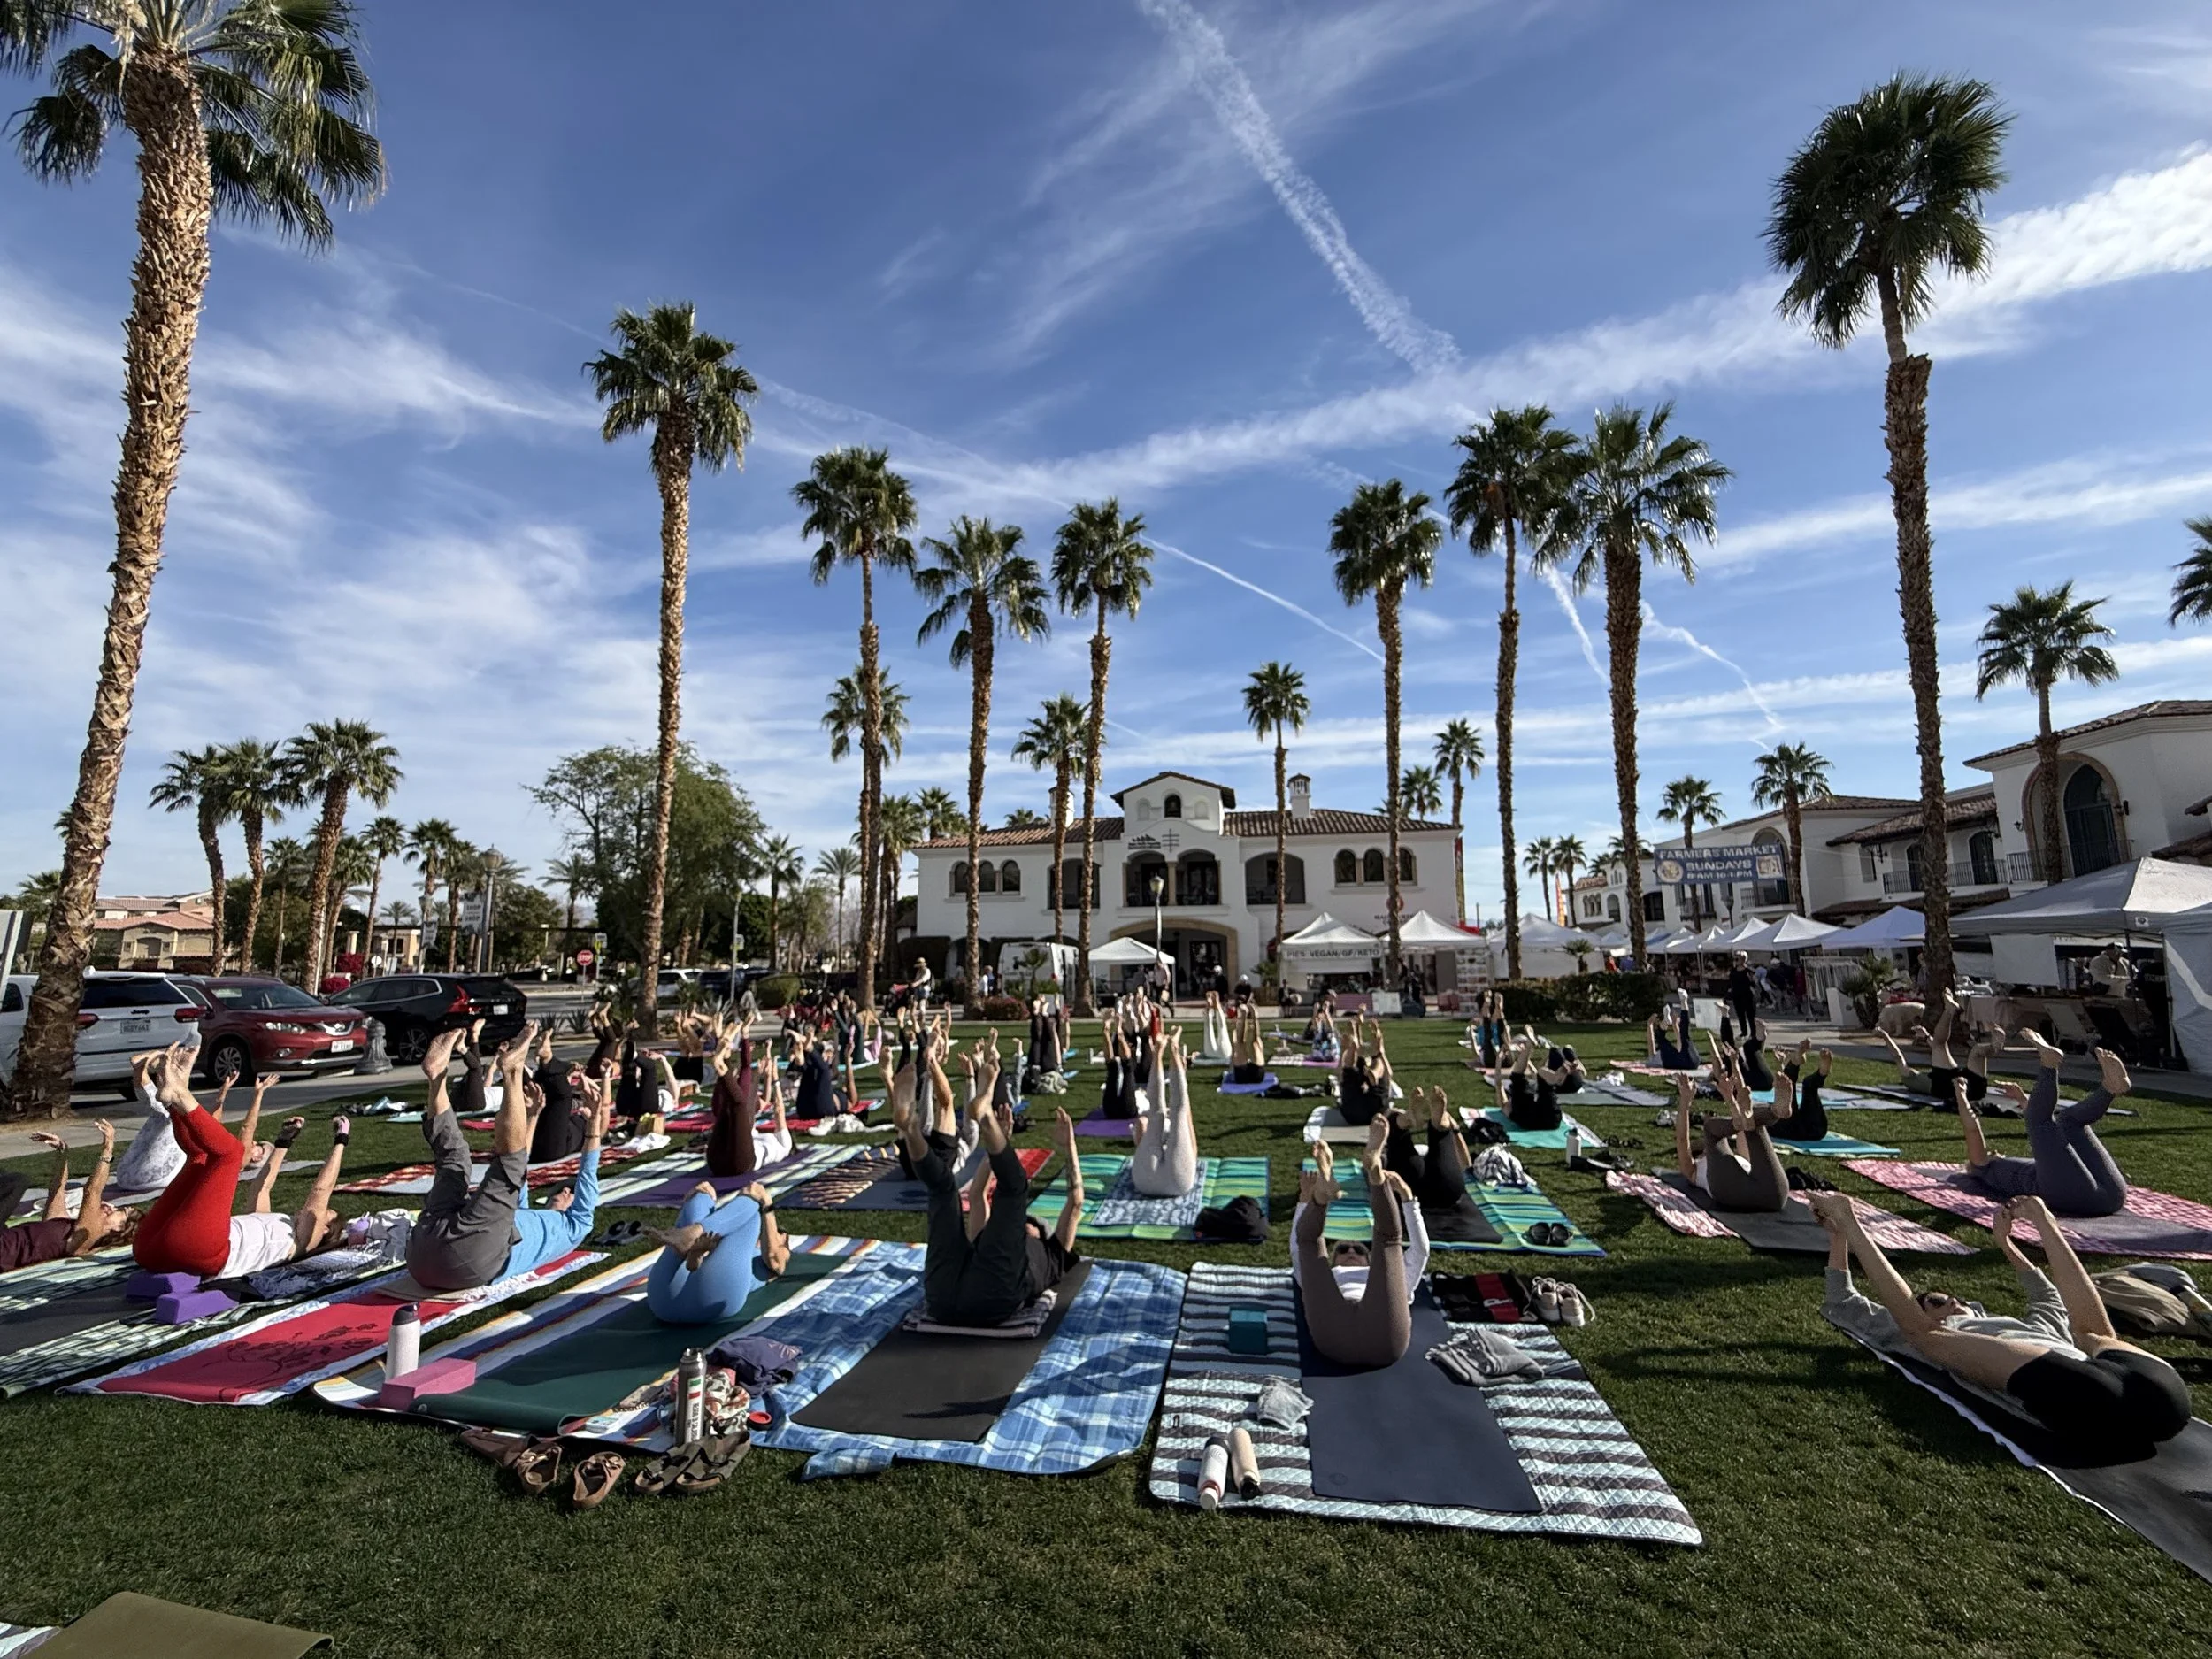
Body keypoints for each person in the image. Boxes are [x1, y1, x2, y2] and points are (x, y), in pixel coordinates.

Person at [1813, 1188, 2193, 1458]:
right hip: (2086, 1394)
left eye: (1955, 1298)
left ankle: (2048, 1221)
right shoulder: (1915, 1331)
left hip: (2160, 1399)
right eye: (1938, 1300)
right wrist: (1842, 1235)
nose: (1955, 1302)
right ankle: (1852, 1221)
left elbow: (2052, 1301)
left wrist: (2024, 1236)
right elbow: (1851, 1304)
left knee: (2094, 1333)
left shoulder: (2009, 1326)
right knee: (1925, 1337)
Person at [405, 1023, 609, 1293]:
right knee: (454, 1159)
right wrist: (533, 1115)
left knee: (506, 1164)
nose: (569, 1191)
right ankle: (436, 1077)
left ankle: (513, 1071)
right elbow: (520, 1171)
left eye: (570, 1193)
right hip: (424, 1249)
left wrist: (594, 1123)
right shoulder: (519, 1210)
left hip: (470, 1259)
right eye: (567, 1190)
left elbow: (587, 1175)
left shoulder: (577, 1225)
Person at [890, 1046, 1082, 1328]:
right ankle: (910, 1128)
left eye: (1033, 1224)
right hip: (944, 1297)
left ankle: (974, 1117)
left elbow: (1076, 1202)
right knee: (943, 1184)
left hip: (970, 1296)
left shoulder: (1057, 1253)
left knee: (1015, 1185)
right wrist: (999, 1141)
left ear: (1040, 1234)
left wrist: (1070, 1146)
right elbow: (978, 1193)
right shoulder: (999, 1240)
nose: (1028, 1224)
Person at [132, 1048, 357, 1279]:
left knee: (232, 1153)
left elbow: (321, 1191)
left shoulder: (304, 1242)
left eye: (326, 1214)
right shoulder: (276, 1223)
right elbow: (262, 1186)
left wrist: (340, 1142)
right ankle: (174, 1094)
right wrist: (283, 1143)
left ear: (326, 1229)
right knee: (198, 1159)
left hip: (204, 1251)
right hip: (149, 1249)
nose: (316, 1211)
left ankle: (180, 1096)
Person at [1292, 1122, 1429, 1369]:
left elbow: (1298, 1245)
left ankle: (1324, 1195)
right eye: (1343, 1250)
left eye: (1358, 1250)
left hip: (1378, 1334)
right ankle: (1373, 1178)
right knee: (1387, 1239)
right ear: (1332, 1260)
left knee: (1308, 1242)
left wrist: (1305, 1200)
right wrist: (1407, 1200)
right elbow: (1421, 1250)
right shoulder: (1328, 1276)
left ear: (1369, 1260)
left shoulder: (1393, 1280)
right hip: (1339, 1336)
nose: (1352, 1251)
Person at [1950, 1033, 2131, 1218]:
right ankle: (2049, 1065)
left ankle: (2110, 1087)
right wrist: (1961, 1095)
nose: (1995, 1152)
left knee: (2068, 1121)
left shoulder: (2026, 1170)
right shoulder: (1982, 1167)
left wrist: (2021, 1099)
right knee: (2039, 1122)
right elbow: (1972, 1129)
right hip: (2075, 1198)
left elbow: (2054, 1152)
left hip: (2112, 1194)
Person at [644, 1179, 792, 1324]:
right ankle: (694, 1240)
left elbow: (775, 1261)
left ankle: (695, 1236)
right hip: (670, 1296)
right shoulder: (733, 1236)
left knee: (753, 1205)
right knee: (702, 1196)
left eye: (776, 1232)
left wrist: (767, 1205)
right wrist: (694, 1197)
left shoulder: (777, 1251)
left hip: (669, 1302)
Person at [3, 1121, 135, 1272]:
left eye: (121, 1210)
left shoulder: (85, 1239)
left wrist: (108, 1148)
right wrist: (62, 1152)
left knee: (16, 1182)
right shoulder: (66, 1227)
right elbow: (57, 1191)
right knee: (10, 1180)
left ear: (121, 1228)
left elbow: (92, 1191)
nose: (112, 1207)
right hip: (4, 1235)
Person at [1671, 1063, 1789, 1212]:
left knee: (1750, 1125)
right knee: (1716, 1127)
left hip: (1769, 1195)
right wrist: (1684, 1103)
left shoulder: (1738, 1156)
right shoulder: (1692, 1170)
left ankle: (1778, 1110)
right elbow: (1682, 1140)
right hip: (1756, 1195)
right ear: (1700, 1153)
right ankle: (1773, 1113)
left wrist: (1730, 1096)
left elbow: (1743, 1125)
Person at [1380, 1087, 1488, 1241]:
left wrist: (1455, 1130)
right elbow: (1466, 1164)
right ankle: (1439, 1124)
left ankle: (1408, 1119)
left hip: (1408, 1188)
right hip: (1446, 1190)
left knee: (1395, 1131)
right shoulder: (1438, 1153)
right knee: (1439, 1136)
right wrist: (1452, 1130)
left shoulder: (1391, 1151)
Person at [1877, 988, 2003, 1103]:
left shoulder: (1916, 1078)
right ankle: (1949, 1011)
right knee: (1939, 1044)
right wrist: (1885, 1036)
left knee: (1977, 1051)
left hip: (1974, 1089)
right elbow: (1898, 1056)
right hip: (1945, 1087)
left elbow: (1902, 1057)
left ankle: (1995, 1046)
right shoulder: (1908, 1078)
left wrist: (1926, 1036)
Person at [1131, 1027, 1200, 1197]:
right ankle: (1171, 1050)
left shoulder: (1162, 1140)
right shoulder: (1173, 1144)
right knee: (1174, 1112)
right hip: (1175, 1183)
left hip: (1144, 1183)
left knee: (1165, 1112)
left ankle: (1160, 1052)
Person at [107, 1049, 186, 1193]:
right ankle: (147, 1071)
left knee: (167, 1114)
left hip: (126, 1175)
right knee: (176, 1116)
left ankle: (143, 1071)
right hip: (152, 1176)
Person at [1495, 1035, 1565, 1133]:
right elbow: (1499, 1085)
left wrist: (1498, 1062)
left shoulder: (1511, 1106)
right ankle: (1530, 1047)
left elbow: (1498, 1084)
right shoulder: (1512, 1105)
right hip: (1550, 1118)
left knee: (1540, 1082)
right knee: (1520, 1077)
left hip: (1548, 1121)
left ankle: (1553, 1076)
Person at [1771, 1042, 1836, 1143]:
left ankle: (1798, 1065)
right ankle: (1821, 1073)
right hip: (1803, 1129)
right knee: (1805, 1087)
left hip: (1812, 1130)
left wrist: (1780, 1064)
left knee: (1800, 1087)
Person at [1336, 1015, 1394, 1125]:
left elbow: (1340, 1077)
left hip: (1352, 1113)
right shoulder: (1366, 1064)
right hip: (1377, 1113)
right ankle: (1375, 1072)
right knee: (1381, 1077)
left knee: (1348, 1076)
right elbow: (1389, 1075)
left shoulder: (1357, 1068)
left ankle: (1373, 1070)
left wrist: (1343, 1050)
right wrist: (1381, 1054)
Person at [1645, 1005, 1700, 1071]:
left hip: (1683, 1062)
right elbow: (1680, 1042)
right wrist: (1675, 1025)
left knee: (1661, 1037)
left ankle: (1666, 1020)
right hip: (1692, 1061)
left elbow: (1651, 1042)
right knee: (1684, 1037)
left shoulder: (1654, 1059)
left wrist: (1650, 1025)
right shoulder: (1656, 1059)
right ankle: (1668, 1020)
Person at [1228, 1002, 1269, 1087]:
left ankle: (1246, 1016)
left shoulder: (1236, 1036)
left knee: (1243, 1043)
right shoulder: (1257, 1043)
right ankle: (1253, 1017)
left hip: (1242, 1076)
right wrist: (1253, 1018)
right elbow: (1255, 1037)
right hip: (1256, 1075)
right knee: (1254, 1043)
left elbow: (1238, 1042)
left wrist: (1241, 1020)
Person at [1197, 990, 1234, 1065]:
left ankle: (1209, 1008)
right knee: (1222, 1030)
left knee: (1209, 1031)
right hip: (1224, 1054)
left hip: (1210, 1053)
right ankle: (1216, 1006)